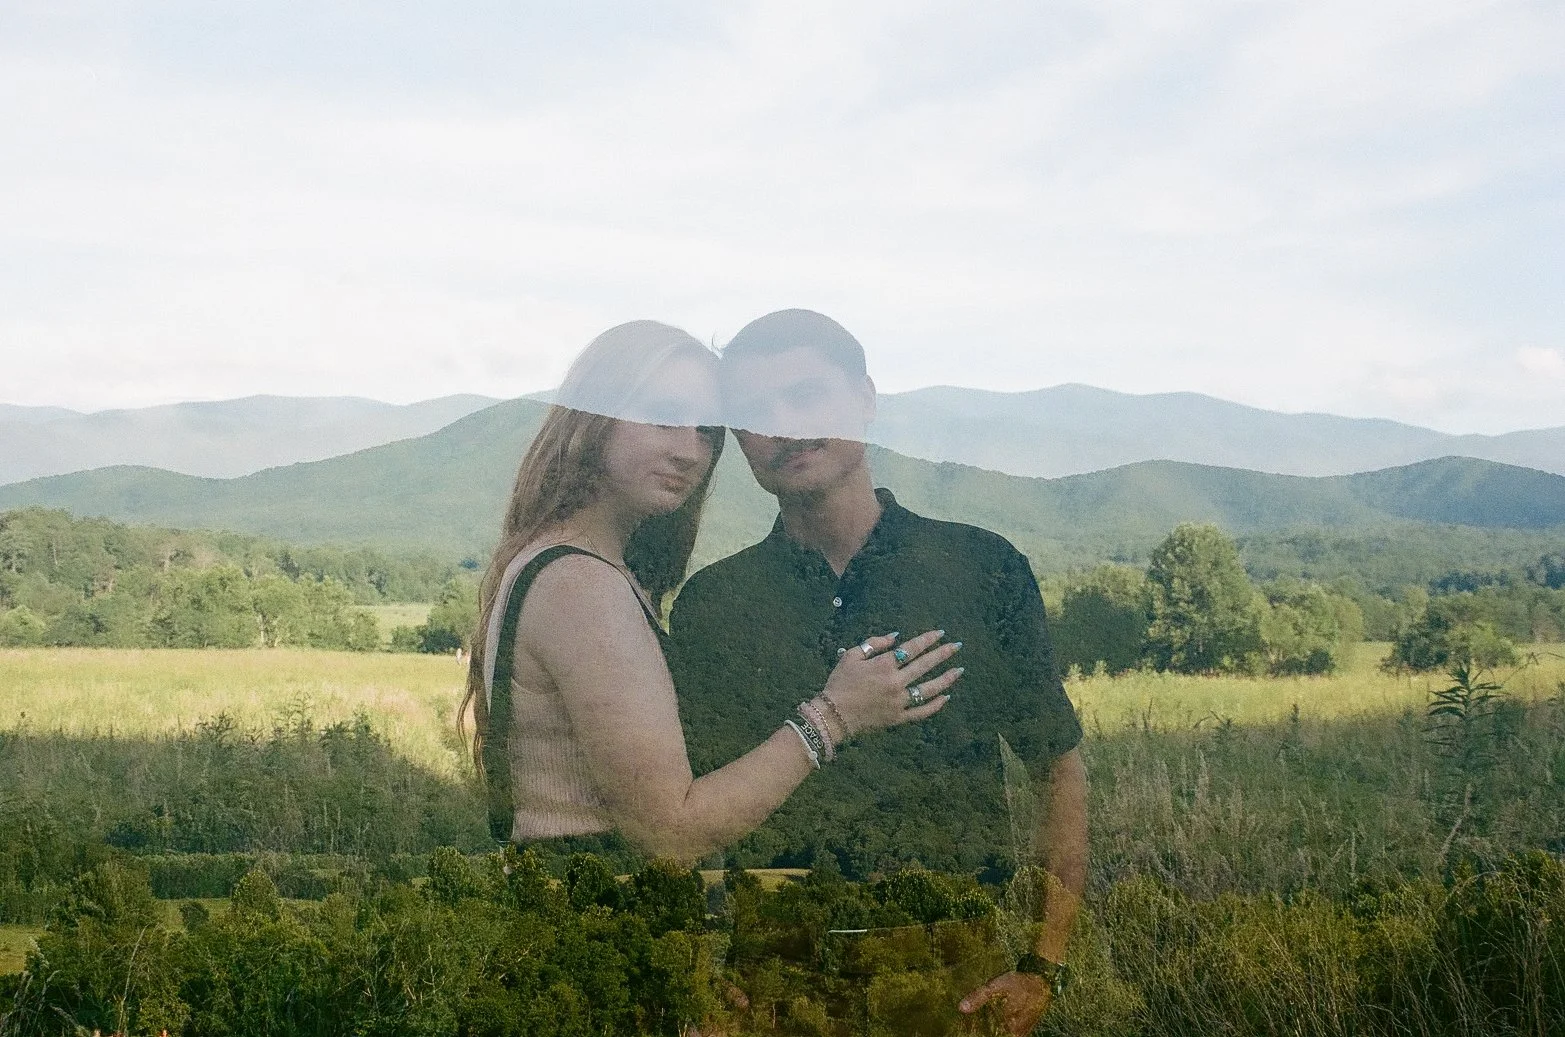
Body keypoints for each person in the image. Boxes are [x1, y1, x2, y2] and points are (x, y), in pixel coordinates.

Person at [668, 309, 1089, 1035]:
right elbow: (688, 814)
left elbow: (1056, 766)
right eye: (756, 411)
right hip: (773, 984)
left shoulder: (979, 568)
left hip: (953, 976)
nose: (785, 426)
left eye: (806, 395)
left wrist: (1041, 962)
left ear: (865, 398)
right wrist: (698, 971)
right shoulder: (713, 606)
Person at [459, 319, 963, 870]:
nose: (690, 452)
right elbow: (671, 833)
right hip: (596, 911)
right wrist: (835, 715)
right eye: (664, 418)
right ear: (594, 418)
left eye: (707, 431)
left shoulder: (565, 563)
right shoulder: (581, 585)